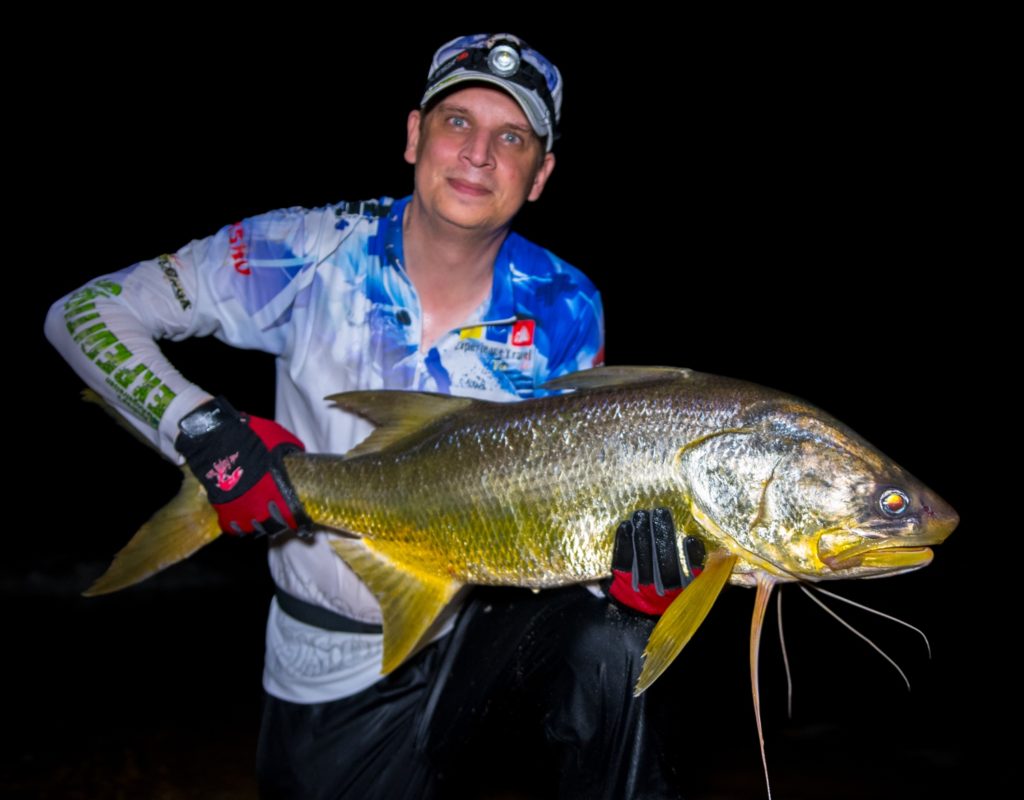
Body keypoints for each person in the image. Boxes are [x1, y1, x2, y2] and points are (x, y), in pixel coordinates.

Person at [45, 33, 692, 799]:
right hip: (333, 656)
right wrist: (200, 429)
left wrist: (625, 588)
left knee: (612, 650)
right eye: (457, 122)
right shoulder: (307, 249)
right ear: (414, 133)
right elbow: (84, 313)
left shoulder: (565, 303)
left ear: (540, 174)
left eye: (511, 136)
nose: (479, 153)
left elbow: (561, 499)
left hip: (480, 633)